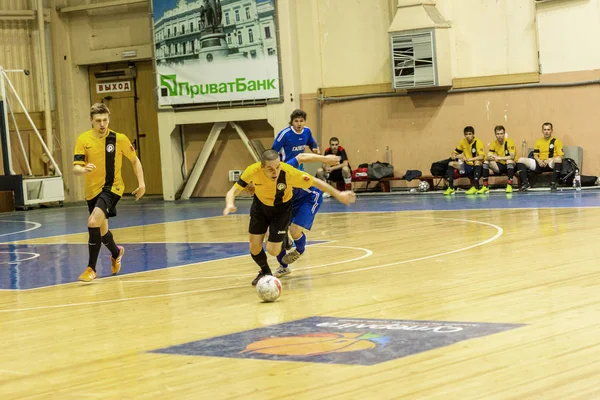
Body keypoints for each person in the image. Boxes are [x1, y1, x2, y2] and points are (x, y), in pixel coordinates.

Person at [223, 149, 355, 286]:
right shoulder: (253, 171)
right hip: (262, 207)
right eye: (270, 169)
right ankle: (267, 272)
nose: (275, 171)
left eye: (277, 167)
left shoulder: (288, 171)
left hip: (296, 202)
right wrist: (230, 204)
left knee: (282, 241)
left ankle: (296, 247)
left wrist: (338, 194)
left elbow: (313, 178)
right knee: (255, 247)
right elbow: (233, 191)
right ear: (262, 167)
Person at [73, 103, 146, 282]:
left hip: (112, 188)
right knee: (102, 230)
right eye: (98, 121)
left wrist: (142, 184)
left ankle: (91, 268)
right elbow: (76, 167)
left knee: (92, 222)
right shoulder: (83, 139)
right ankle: (116, 252)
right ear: (91, 120)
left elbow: (135, 161)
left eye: (105, 120)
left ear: (109, 119)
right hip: (92, 191)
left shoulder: (119, 139)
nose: (102, 124)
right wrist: (83, 170)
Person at [274, 153, 342, 278]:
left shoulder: (287, 169)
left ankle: (299, 250)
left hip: (309, 197)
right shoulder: (264, 180)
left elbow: (301, 157)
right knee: (274, 234)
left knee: (294, 230)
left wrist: (325, 159)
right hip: (288, 202)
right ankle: (283, 267)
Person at [516, 122, 564, 192]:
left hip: (550, 163)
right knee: (520, 160)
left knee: (558, 159)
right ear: (542, 131)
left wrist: (548, 160)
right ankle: (525, 184)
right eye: (545, 130)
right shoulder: (538, 141)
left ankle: (553, 183)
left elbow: (561, 156)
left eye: (548, 130)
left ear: (551, 130)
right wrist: (539, 161)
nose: (546, 132)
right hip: (540, 163)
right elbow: (535, 155)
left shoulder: (557, 141)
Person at [444, 126, 485, 196]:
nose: (468, 136)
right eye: (466, 134)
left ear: (473, 134)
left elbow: (482, 156)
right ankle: (451, 188)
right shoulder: (463, 142)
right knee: (451, 163)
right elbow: (455, 152)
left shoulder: (478, 142)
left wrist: (469, 159)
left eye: (470, 134)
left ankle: (475, 187)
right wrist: (455, 156)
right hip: (467, 166)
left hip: (477, 166)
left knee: (477, 162)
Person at [477, 125, 517, 194]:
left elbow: (512, 156)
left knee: (509, 161)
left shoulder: (510, 142)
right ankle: (485, 186)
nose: (499, 136)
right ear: (495, 134)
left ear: (504, 134)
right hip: (500, 165)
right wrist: (489, 157)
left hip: (512, 166)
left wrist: (498, 158)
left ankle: (509, 185)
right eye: (497, 134)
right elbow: (488, 156)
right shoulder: (493, 144)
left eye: (501, 134)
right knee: (486, 162)